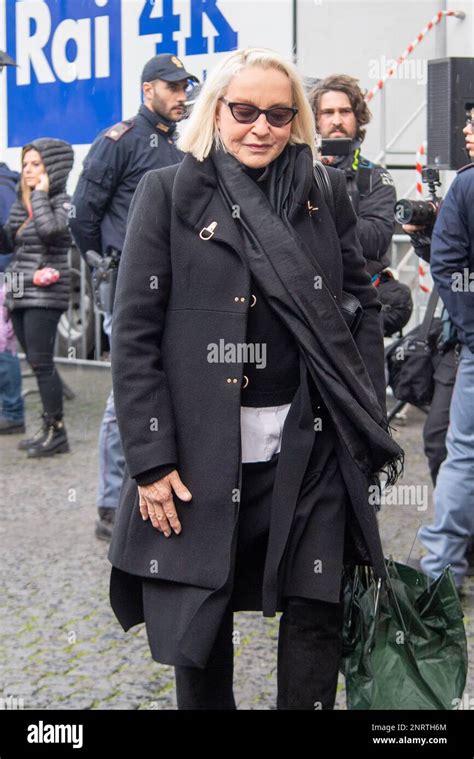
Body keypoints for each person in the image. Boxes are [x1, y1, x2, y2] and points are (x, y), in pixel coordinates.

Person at [107, 47, 403, 710]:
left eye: (277, 113)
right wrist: (150, 460)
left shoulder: (324, 194)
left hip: (312, 445)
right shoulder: (166, 192)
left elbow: (364, 305)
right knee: (197, 624)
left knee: (316, 610)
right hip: (198, 452)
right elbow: (133, 337)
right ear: (217, 112)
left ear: (295, 120)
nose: (260, 127)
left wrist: (364, 420)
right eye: (244, 111)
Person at [69, 54, 199, 542]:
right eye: (173, 87)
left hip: (175, 281)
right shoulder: (117, 141)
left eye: (186, 86)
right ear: (149, 90)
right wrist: (102, 265)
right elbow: (82, 214)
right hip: (124, 280)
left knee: (167, 378)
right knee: (122, 387)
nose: (181, 94)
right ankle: (110, 501)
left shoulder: (183, 142)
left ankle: (153, 480)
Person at [415, 123, 474, 589]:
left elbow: (448, 263)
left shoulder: (466, 184)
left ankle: (441, 571)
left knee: (462, 453)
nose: (467, 128)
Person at [309, 75, 412, 337]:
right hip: (310, 304)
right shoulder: (301, 172)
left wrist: (327, 203)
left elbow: (376, 240)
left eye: (345, 111)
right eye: (327, 112)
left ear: (358, 118)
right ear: (315, 120)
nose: (336, 120)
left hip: (361, 306)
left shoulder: (373, 176)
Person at [0, 138, 74, 456]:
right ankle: (46, 426)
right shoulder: (22, 203)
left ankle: (57, 432)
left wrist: (41, 195)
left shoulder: (62, 202)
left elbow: (51, 231)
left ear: (51, 169)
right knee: (35, 362)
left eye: (36, 165)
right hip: (20, 290)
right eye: (26, 164)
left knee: (42, 364)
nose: (28, 171)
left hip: (45, 293)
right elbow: (8, 245)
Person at [0, 160, 24, 434]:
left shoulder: (3, 185)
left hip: (5, 275)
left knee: (4, 346)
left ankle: (12, 410)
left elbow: (9, 239)